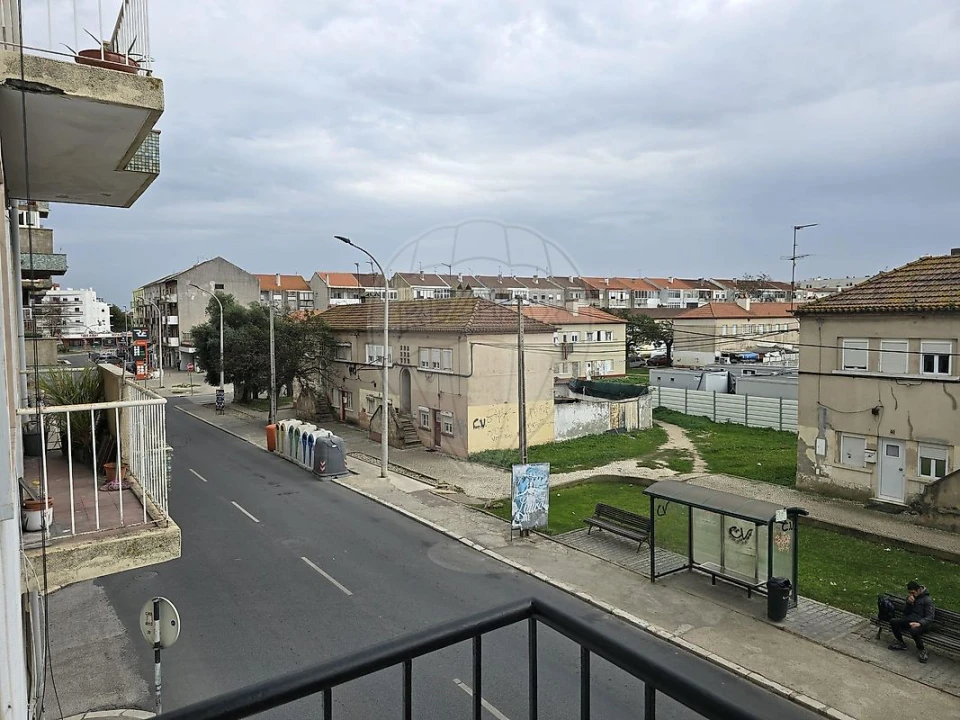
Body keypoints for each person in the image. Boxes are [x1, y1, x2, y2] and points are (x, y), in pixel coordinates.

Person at [888, 581, 936, 663]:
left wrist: (919, 623)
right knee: (893, 622)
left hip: (922, 623)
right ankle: (901, 643)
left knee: (913, 630)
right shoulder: (912, 597)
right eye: (910, 593)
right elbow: (905, 612)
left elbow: (930, 617)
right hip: (910, 619)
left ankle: (922, 650)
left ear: (918, 590)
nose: (911, 594)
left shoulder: (927, 600)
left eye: (913, 592)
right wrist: (909, 603)